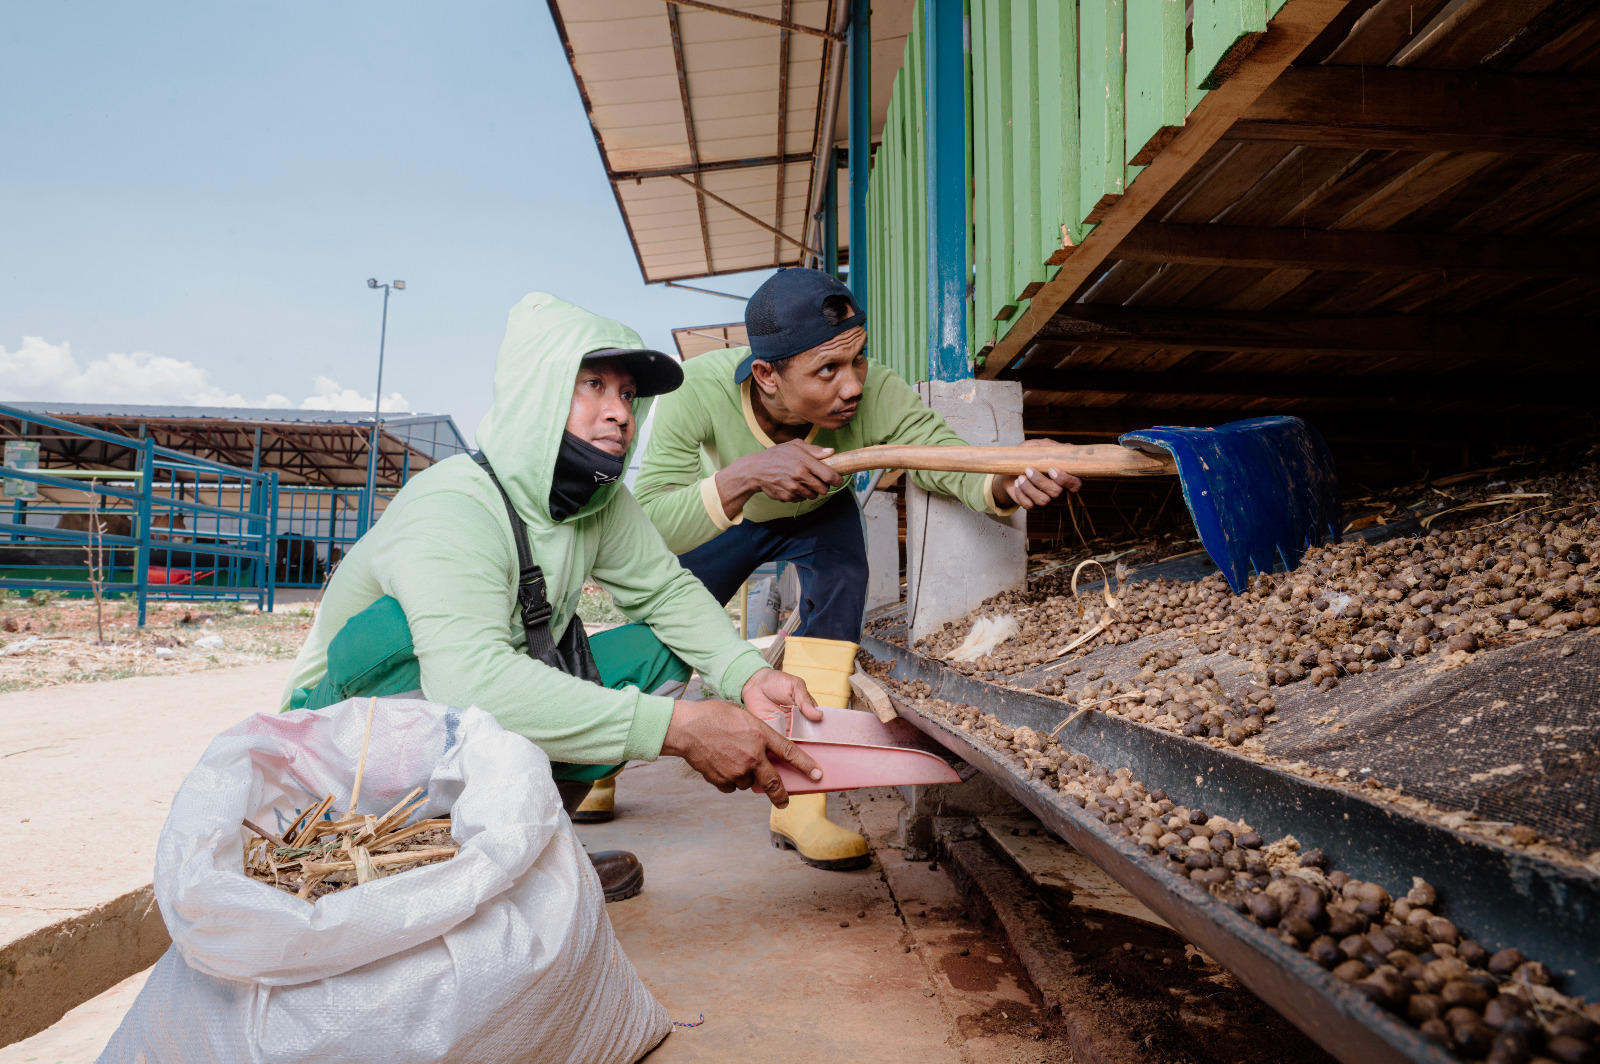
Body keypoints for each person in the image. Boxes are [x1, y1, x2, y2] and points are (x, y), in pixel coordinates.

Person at [279, 292, 823, 901]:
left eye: (626, 394)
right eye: (592, 384)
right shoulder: (454, 505)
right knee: (404, 633)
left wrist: (745, 672)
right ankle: (404, 856)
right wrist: (678, 727)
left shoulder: (600, 503)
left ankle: (526, 854)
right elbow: (470, 683)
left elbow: (667, 590)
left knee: (658, 656)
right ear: (538, 390)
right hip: (338, 747)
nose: (619, 412)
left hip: (465, 710)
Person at [626, 268, 1080, 869]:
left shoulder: (879, 392)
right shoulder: (697, 390)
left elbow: (946, 462)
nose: (853, 387)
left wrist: (1003, 477)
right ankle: (604, 754)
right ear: (766, 375)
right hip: (731, 513)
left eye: (858, 360)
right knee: (672, 612)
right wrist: (745, 476)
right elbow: (650, 522)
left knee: (841, 594)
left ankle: (799, 808)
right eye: (827, 371)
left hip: (818, 511)